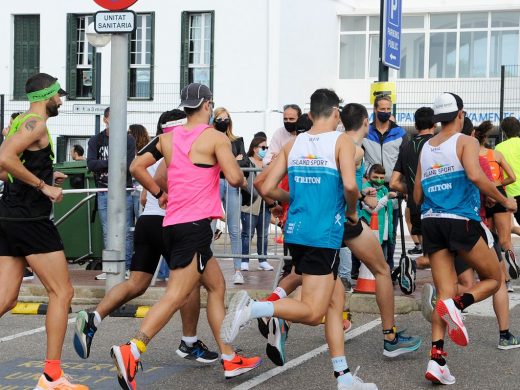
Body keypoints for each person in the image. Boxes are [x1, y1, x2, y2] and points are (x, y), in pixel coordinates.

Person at [221, 89, 377, 390]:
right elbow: (349, 185)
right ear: (335, 112)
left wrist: (292, 197)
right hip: (324, 233)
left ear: (310, 113)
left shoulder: (294, 143)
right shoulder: (341, 141)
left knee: (334, 303)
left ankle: (343, 376)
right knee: (314, 310)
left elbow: (264, 185)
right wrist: (354, 212)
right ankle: (254, 310)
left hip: (298, 230)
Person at [110, 83, 261, 389]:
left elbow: (137, 166)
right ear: (207, 105)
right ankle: (133, 349)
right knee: (177, 294)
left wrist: (157, 192)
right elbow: (234, 177)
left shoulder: (167, 138)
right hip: (192, 226)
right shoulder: (216, 138)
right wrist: (234, 169)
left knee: (217, 288)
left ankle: (229, 357)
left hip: (179, 224)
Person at [73, 109, 219, 366]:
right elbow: (162, 179)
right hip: (170, 222)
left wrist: (156, 192)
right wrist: (169, 193)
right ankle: (189, 341)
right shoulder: (179, 148)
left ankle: (94, 317)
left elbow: (143, 193)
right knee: (189, 284)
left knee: (138, 283)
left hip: (147, 222)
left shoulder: (159, 148)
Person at [414, 93, 517, 385]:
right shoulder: (465, 141)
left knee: (443, 292)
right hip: (460, 221)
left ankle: (436, 360)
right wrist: (503, 200)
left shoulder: (426, 147)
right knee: (494, 278)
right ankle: (458, 306)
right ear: (460, 114)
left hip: (431, 222)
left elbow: (418, 194)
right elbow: (474, 174)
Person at [0, 73, 88, 389]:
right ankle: (52, 376)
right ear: (47, 95)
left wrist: (47, 173)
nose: (61, 101)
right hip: (30, 221)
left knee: (6, 298)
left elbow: (5, 168)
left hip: (11, 216)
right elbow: (3, 159)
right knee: (62, 292)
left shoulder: (21, 123)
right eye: (58, 96)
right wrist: (43, 186)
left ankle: (52, 375)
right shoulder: (34, 124)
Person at [87, 107, 136, 276]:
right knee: (107, 231)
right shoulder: (96, 140)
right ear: (105, 119)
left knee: (126, 230)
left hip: (123, 190)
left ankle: (127, 267)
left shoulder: (128, 140)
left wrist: (105, 163)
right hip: (103, 190)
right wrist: (114, 161)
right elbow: (91, 164)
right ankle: (111, 268)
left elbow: (128, 165)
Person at [363, 95, 407, 270]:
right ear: (375, 109)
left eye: (389, 109)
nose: (386, 112)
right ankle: (367, 267)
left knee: (390, 228)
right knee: (369, 226)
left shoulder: (400, 132)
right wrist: (368, 173)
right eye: (382, 109)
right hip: (371, 187)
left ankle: (388, 266)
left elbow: (403, 159)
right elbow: (359, 157)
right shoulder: (367, 132)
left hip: (391, 186)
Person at [390, 107, 436, 269]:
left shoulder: (407, 147)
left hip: (416, 206)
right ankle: (411, 265)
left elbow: (394, 183)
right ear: (434, 124)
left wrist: (411, 189)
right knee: (441, 258)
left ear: (416, 125)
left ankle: (411, 266)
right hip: (438, 205)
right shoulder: (437, 144)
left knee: (429, 255)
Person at [474, 121, 519, 279]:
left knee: (491, 239)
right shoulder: (496, 154)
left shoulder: (470, 157)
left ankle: (503, 277)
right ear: (485, 139)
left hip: (481, 197)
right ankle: (510, 255)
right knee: (506, 240)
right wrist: (496, 184)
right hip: (499, 194)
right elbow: (512, 177)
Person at [213, 107, 248, 284]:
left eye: (226, 118)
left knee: (235, 229)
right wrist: (233, 160)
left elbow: (245, 161)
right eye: (219, 119)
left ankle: (238, 270)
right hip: (213, 184)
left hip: (232, 184)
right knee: (209, 226)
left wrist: (228, 162)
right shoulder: (209, 139)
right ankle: (205, 267)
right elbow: (212, 162)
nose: (223, 121)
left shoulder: (237, 140)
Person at [240, 137, 274, 271]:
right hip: (250, 204)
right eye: (263, 147)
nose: (265, 150)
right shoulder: (248, 162)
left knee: (264, 234)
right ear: (254, 149)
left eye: (267, 148)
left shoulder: (267, 165)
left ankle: (263, 260)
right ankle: (244, 261)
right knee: (247, 234)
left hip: (265, 204)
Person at [361, 164, 396, 269]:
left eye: (381, 178)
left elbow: (388, 210)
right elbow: (372, 209)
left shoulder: (384, 189)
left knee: (382, 261)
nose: (379, 180)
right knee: (371, 262)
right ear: (368, 176)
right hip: (370, 233)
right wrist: (387, 197)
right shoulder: (365, 189)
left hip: (383, 233)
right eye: (375, 177)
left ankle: (381, 281)